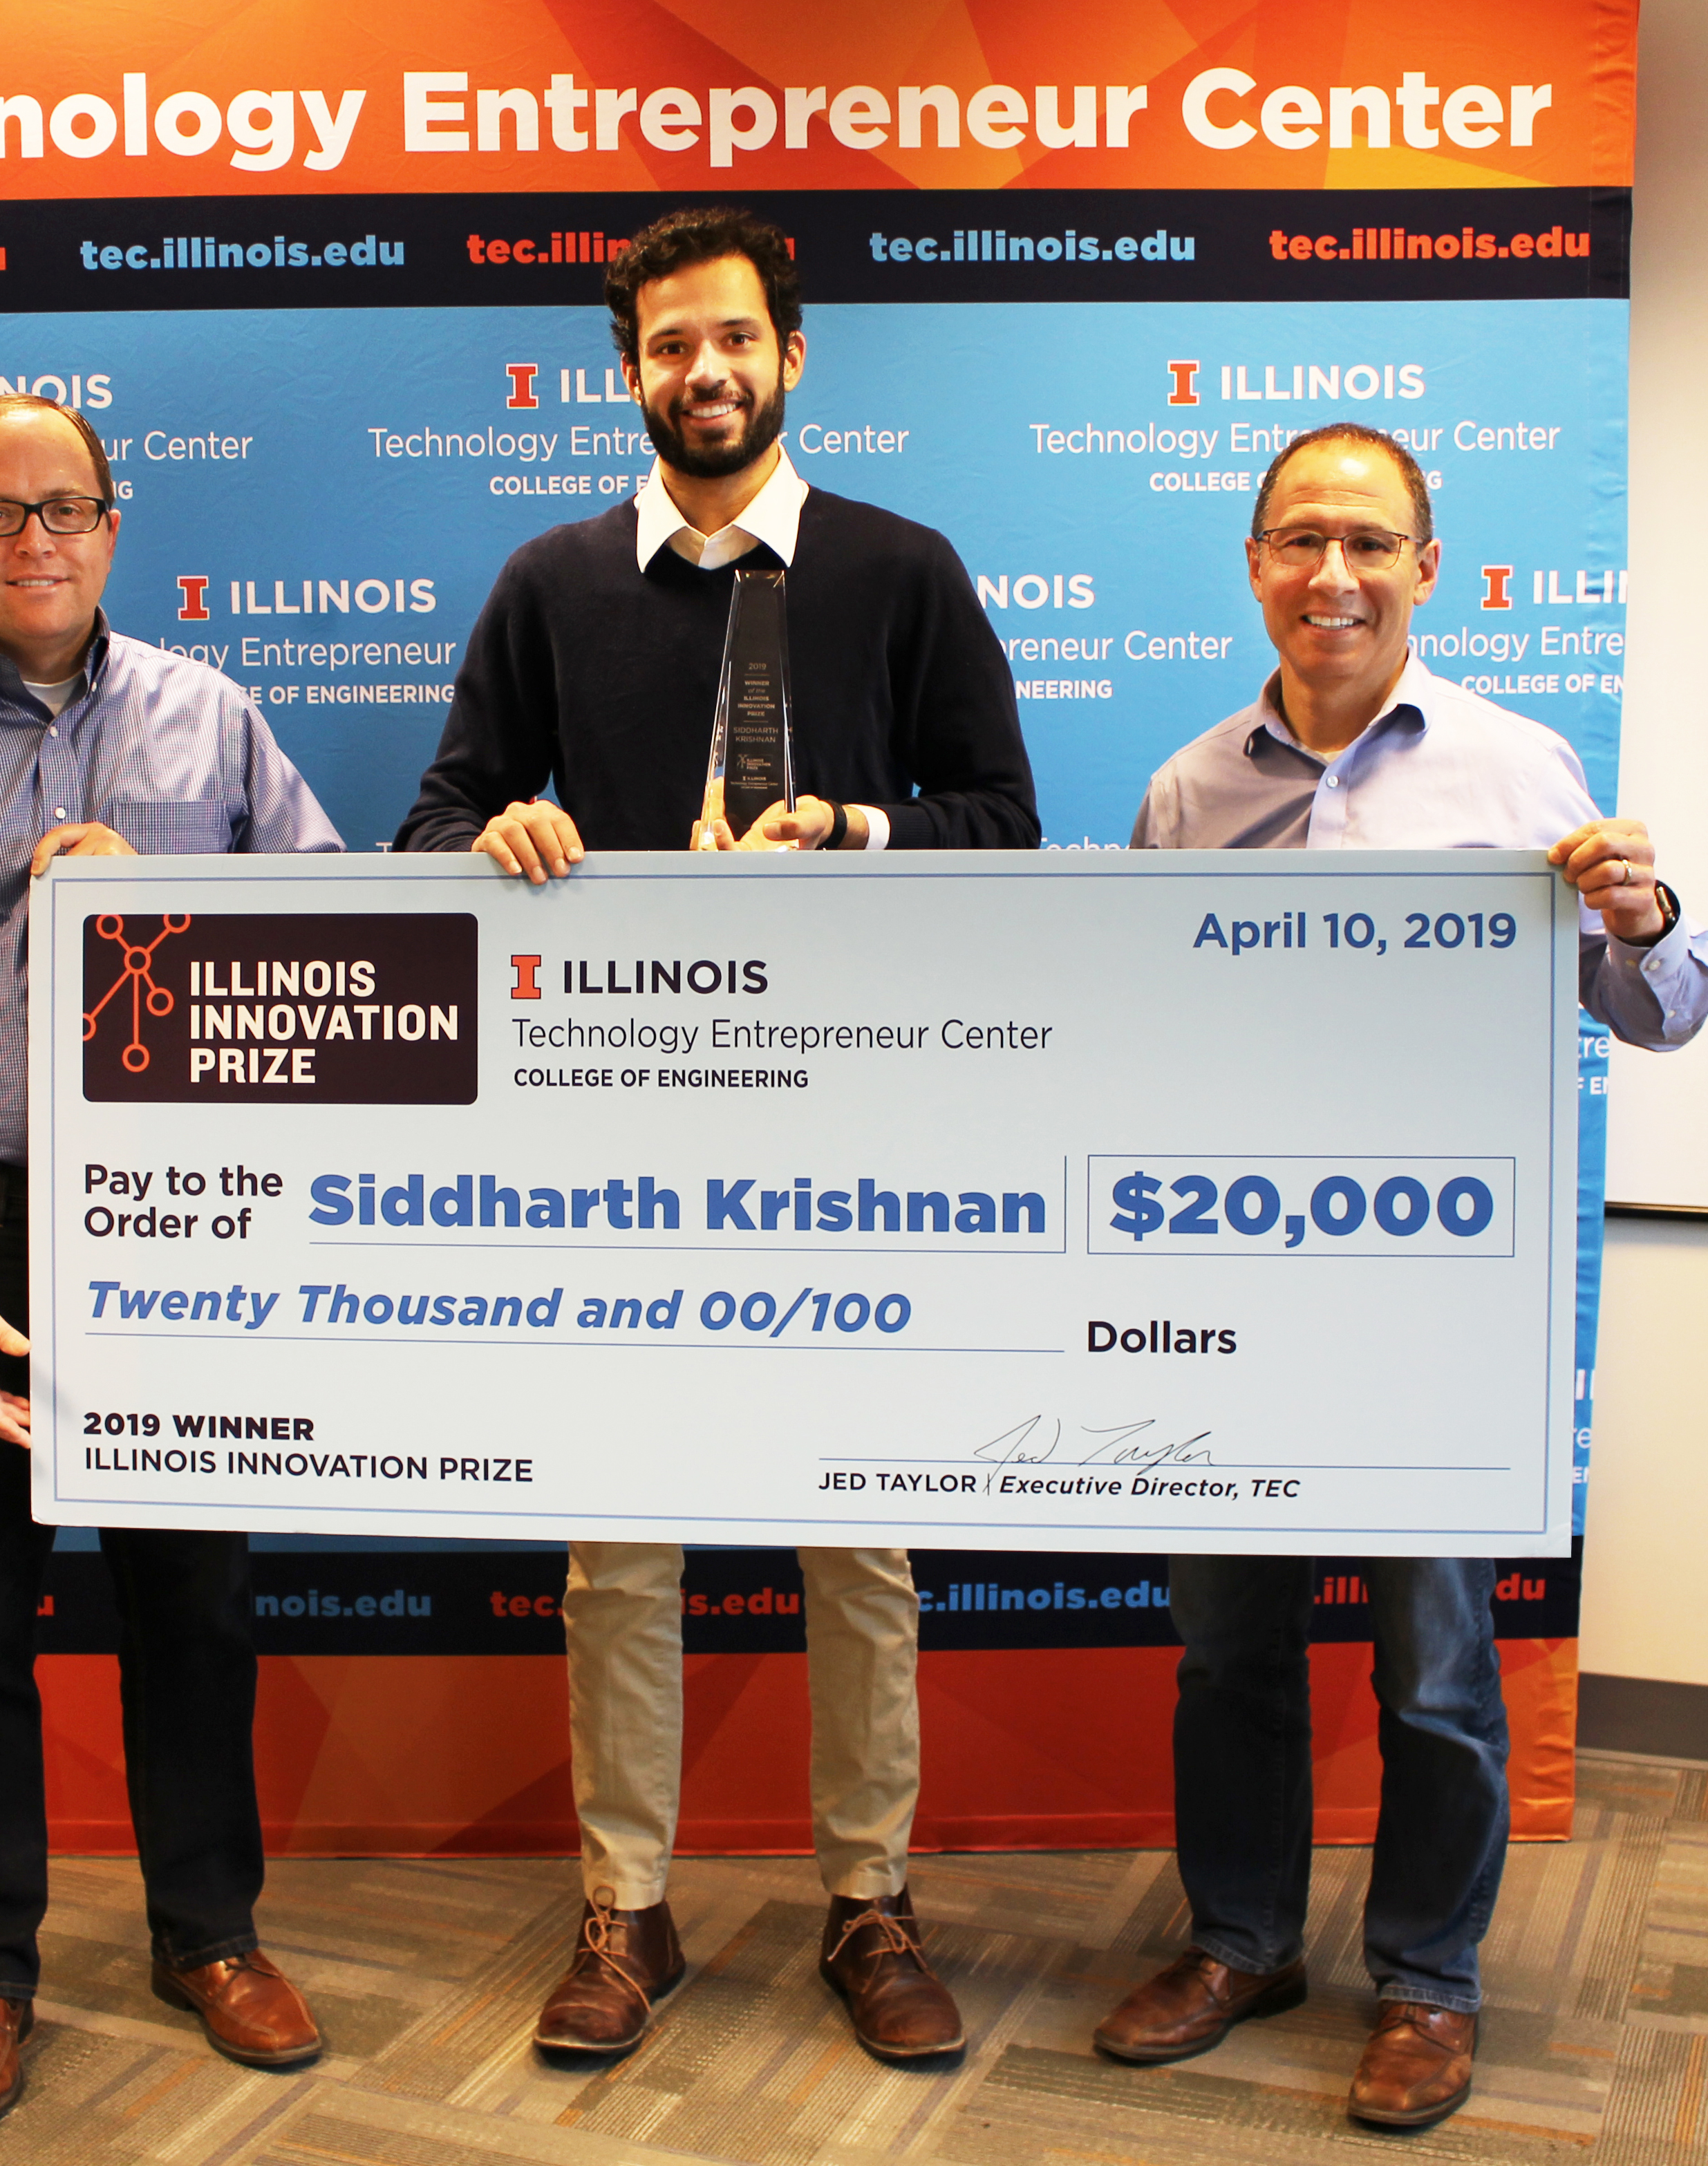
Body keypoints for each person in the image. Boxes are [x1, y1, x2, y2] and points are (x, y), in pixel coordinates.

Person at [397, 205, 1040, 2061]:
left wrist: (855, 831)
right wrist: (493, 836)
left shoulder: (900, 571)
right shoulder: (547, 582)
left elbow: (1003, 820)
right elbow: (432, 821)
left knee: (864, 1541)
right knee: (618, 1551)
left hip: (856, 1131)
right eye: (668, 345)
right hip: (616, 1142)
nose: (703, 373)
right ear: (631, 374)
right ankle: (625, 1908)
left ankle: (867, 1897)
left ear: (791, 357)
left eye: (732, 341)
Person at [1096, 422, 1708, 2129]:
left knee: (1434, 1660)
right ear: (1254, 568)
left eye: (1368, 541)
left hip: (1435, 1311)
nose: (1333, 575)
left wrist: (1644, 922)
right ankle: (1240, 1940)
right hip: (1230, 1300)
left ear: (1426, 569)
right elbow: (1129, 1037)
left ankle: (1430, 1982)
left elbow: (1659, 1013)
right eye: (1298, 540)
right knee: (1226, 1649)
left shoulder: (1521, 773)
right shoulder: (1183, 791)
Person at [0, 394, 343, 2127]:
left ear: (115, 527)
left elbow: (337, 947)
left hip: (185, 1233)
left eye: (67, 506)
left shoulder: (213, 720)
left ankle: (209, 1931)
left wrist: (180, 913)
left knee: (196, 1608)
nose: (36, 538)